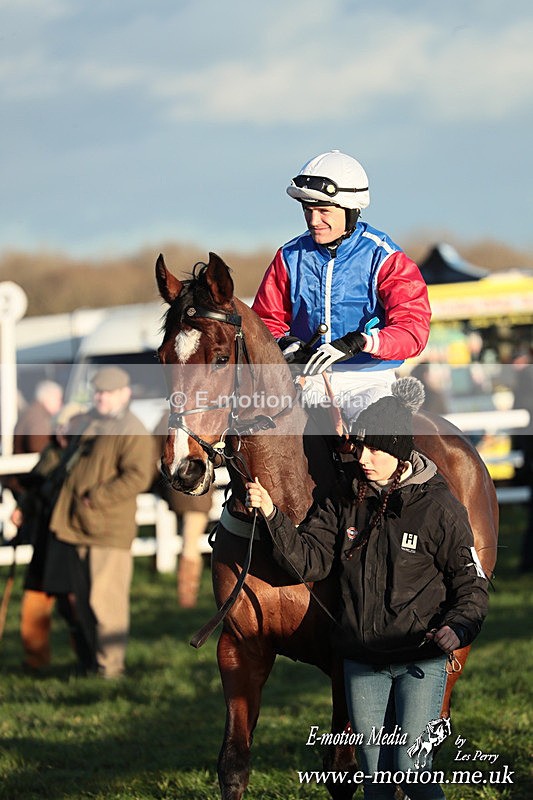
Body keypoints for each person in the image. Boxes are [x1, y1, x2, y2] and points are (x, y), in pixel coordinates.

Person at [245, 377, 489, 800]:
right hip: (360, 661)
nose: (364, 458)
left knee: (412, 773)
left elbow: (471, 582)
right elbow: (309, 560)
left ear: (398, 452)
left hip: (421, 661)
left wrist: (459, 626)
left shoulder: (438, 507)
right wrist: (271, 515)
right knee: (375, 779)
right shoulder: (344, 501)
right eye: (360, 448)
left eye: (375, 449)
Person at [252, 150, 431, 424]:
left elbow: (413, 329)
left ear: (351, 210)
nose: (313, 221)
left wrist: (362, 341)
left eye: (324, 211)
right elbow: (264, 322)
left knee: (378, 437)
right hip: (305, 380)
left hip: (367, 382)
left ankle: (409, 468)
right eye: (308, 210)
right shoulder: (288, 257)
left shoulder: (386, 258)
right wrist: (285, 344)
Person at [45, 366, 155, 678]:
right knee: (84, 602)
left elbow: (138, 476)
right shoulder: (94, 421)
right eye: (97, 392)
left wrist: (96, 497)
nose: (99, 397)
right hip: (79, 524)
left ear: (124, 393)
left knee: (106, 603)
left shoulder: (131, 428)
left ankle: (110, 668)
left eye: (105, 392)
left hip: (108, 528)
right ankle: (95, 663)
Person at [154, 412, 214, 608]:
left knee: (187, 541)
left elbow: (156, 449)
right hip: (195, 494)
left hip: (176, 491)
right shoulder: (200, 417)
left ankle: (186, 597)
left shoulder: (167, 418)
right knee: (190, 543)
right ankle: (187, 598)